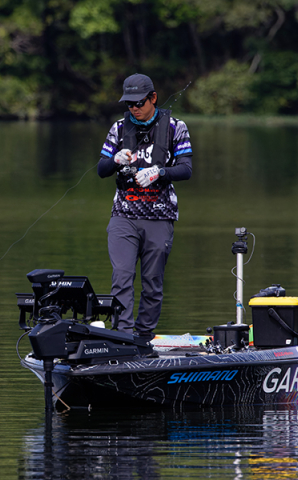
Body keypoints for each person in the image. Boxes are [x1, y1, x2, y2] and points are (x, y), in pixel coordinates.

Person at [97, 73, 193, 339]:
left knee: (152, 283)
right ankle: (123, 336)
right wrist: (115, 159)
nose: (134, 109)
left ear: (153, 98)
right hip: (123, 215)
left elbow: (186, 170)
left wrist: (158, 172)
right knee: (122, 276)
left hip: (159, 217)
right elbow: (101, 170)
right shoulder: (118, 128)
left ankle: (143, 337)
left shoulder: (176, 126)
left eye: (139, 102)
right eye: (129, 104)